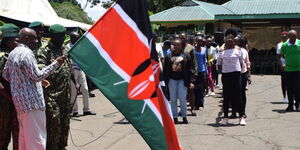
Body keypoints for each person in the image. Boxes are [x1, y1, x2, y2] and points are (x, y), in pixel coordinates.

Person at [2, 27, 66, 150]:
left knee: (25, 139)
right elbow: (37, 75)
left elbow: (6, 74)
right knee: (37, 139)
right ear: (26, 39)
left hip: (21, 104)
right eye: (34, 38)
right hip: (33, 104)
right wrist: (56, 64)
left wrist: (23, 84)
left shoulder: (14, 53)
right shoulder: (27, 53)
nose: (37, 41)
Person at [37, 24, 72, 149]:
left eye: (63, 35)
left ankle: (62, 146)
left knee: (65, 122)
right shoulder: (44, 50)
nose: (63, 38)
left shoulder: (65, 49)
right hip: (51, 95)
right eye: (60, 36)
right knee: (53, 124)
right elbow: (40, 70)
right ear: (52, 36)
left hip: (65, 94)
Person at [217, 33, 246, 126]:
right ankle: (225, 118)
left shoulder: (239, 51)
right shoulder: (222, 52)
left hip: (236, 75)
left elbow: (241, 63)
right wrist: (224, 71)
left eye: (231, 41)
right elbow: (219, 64)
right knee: (226, 97)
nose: (230, 42)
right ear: (225, 42)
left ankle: (241, 117)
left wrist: (237, 71)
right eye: (227, 41)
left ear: (234, 42)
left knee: (238, 96)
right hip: (226, 75)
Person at [163, 39, 192, 124]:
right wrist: (165, 82)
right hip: (172, 80)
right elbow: (165, 70)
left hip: (182, 80)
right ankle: (174, 117)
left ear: (181, 45)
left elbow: (190, 69)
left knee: (182, 99)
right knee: (173, 99)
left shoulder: (186, 56)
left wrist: (191, 81)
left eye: (178, 45)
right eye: (174, 45)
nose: (176, 46)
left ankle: (184, 116)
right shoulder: (168, 56)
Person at [0, 23, 19, 150]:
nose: (18, 41)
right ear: (8, 40)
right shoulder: (2, 56)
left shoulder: (17, 53)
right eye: (15, 39)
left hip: (17, 101)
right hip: (4, 102)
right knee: (3, 135)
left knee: (19, 133)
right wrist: (10, 98)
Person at [69, 31, 96, 117]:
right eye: (76, 37)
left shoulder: (79, 46)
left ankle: (86, 109)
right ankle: (75, 111)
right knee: (74, 92)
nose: (78, 39)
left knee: (85, 89)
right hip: (73, 70)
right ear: (71, 38)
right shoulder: (67, 47)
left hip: (81, 70)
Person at [280, 30, 300, 112]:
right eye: (291, 37)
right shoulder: (284, 45)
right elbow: (282, 55)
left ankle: (297, 105)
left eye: (294, 37)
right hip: (288, 69)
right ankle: (290, 105)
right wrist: (286, 62)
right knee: (290, 88)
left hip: (299, 69)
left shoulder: (299, 43)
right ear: (288, 37)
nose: (293, 39)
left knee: (298, 88)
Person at [232, 35, 251, 119]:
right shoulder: (230, 50)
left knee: (242, 93)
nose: (234, 43)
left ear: (240, 42)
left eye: (236, 41)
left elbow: (247, 63)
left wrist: (249, 76)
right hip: (232, 74)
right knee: (233, 94)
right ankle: (233, 112)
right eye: (234, 41)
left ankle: (242, 112)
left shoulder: (244, 51)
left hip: (243, 74)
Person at [194, 36, 207, 110]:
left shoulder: (204, 50)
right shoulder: (193, 49)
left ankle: (200, 103)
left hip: (202, 70)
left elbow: (205, 61)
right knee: (195, 87)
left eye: (201, 41)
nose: (199, 43)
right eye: (198, 41)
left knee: (201, 87)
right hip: (195, 71)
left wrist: (206, 72)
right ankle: (195, 104)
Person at [276, 31, 288, 104]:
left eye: (285, 36)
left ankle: (292, 97)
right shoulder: (279, 45)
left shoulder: (290, 44)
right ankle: (284, 97)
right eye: (282, 36)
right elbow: (278, 57)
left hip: (291, 65)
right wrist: (280, 65)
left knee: (291, 82)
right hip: (283, 66)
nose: (283, 37)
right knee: (283, 82)